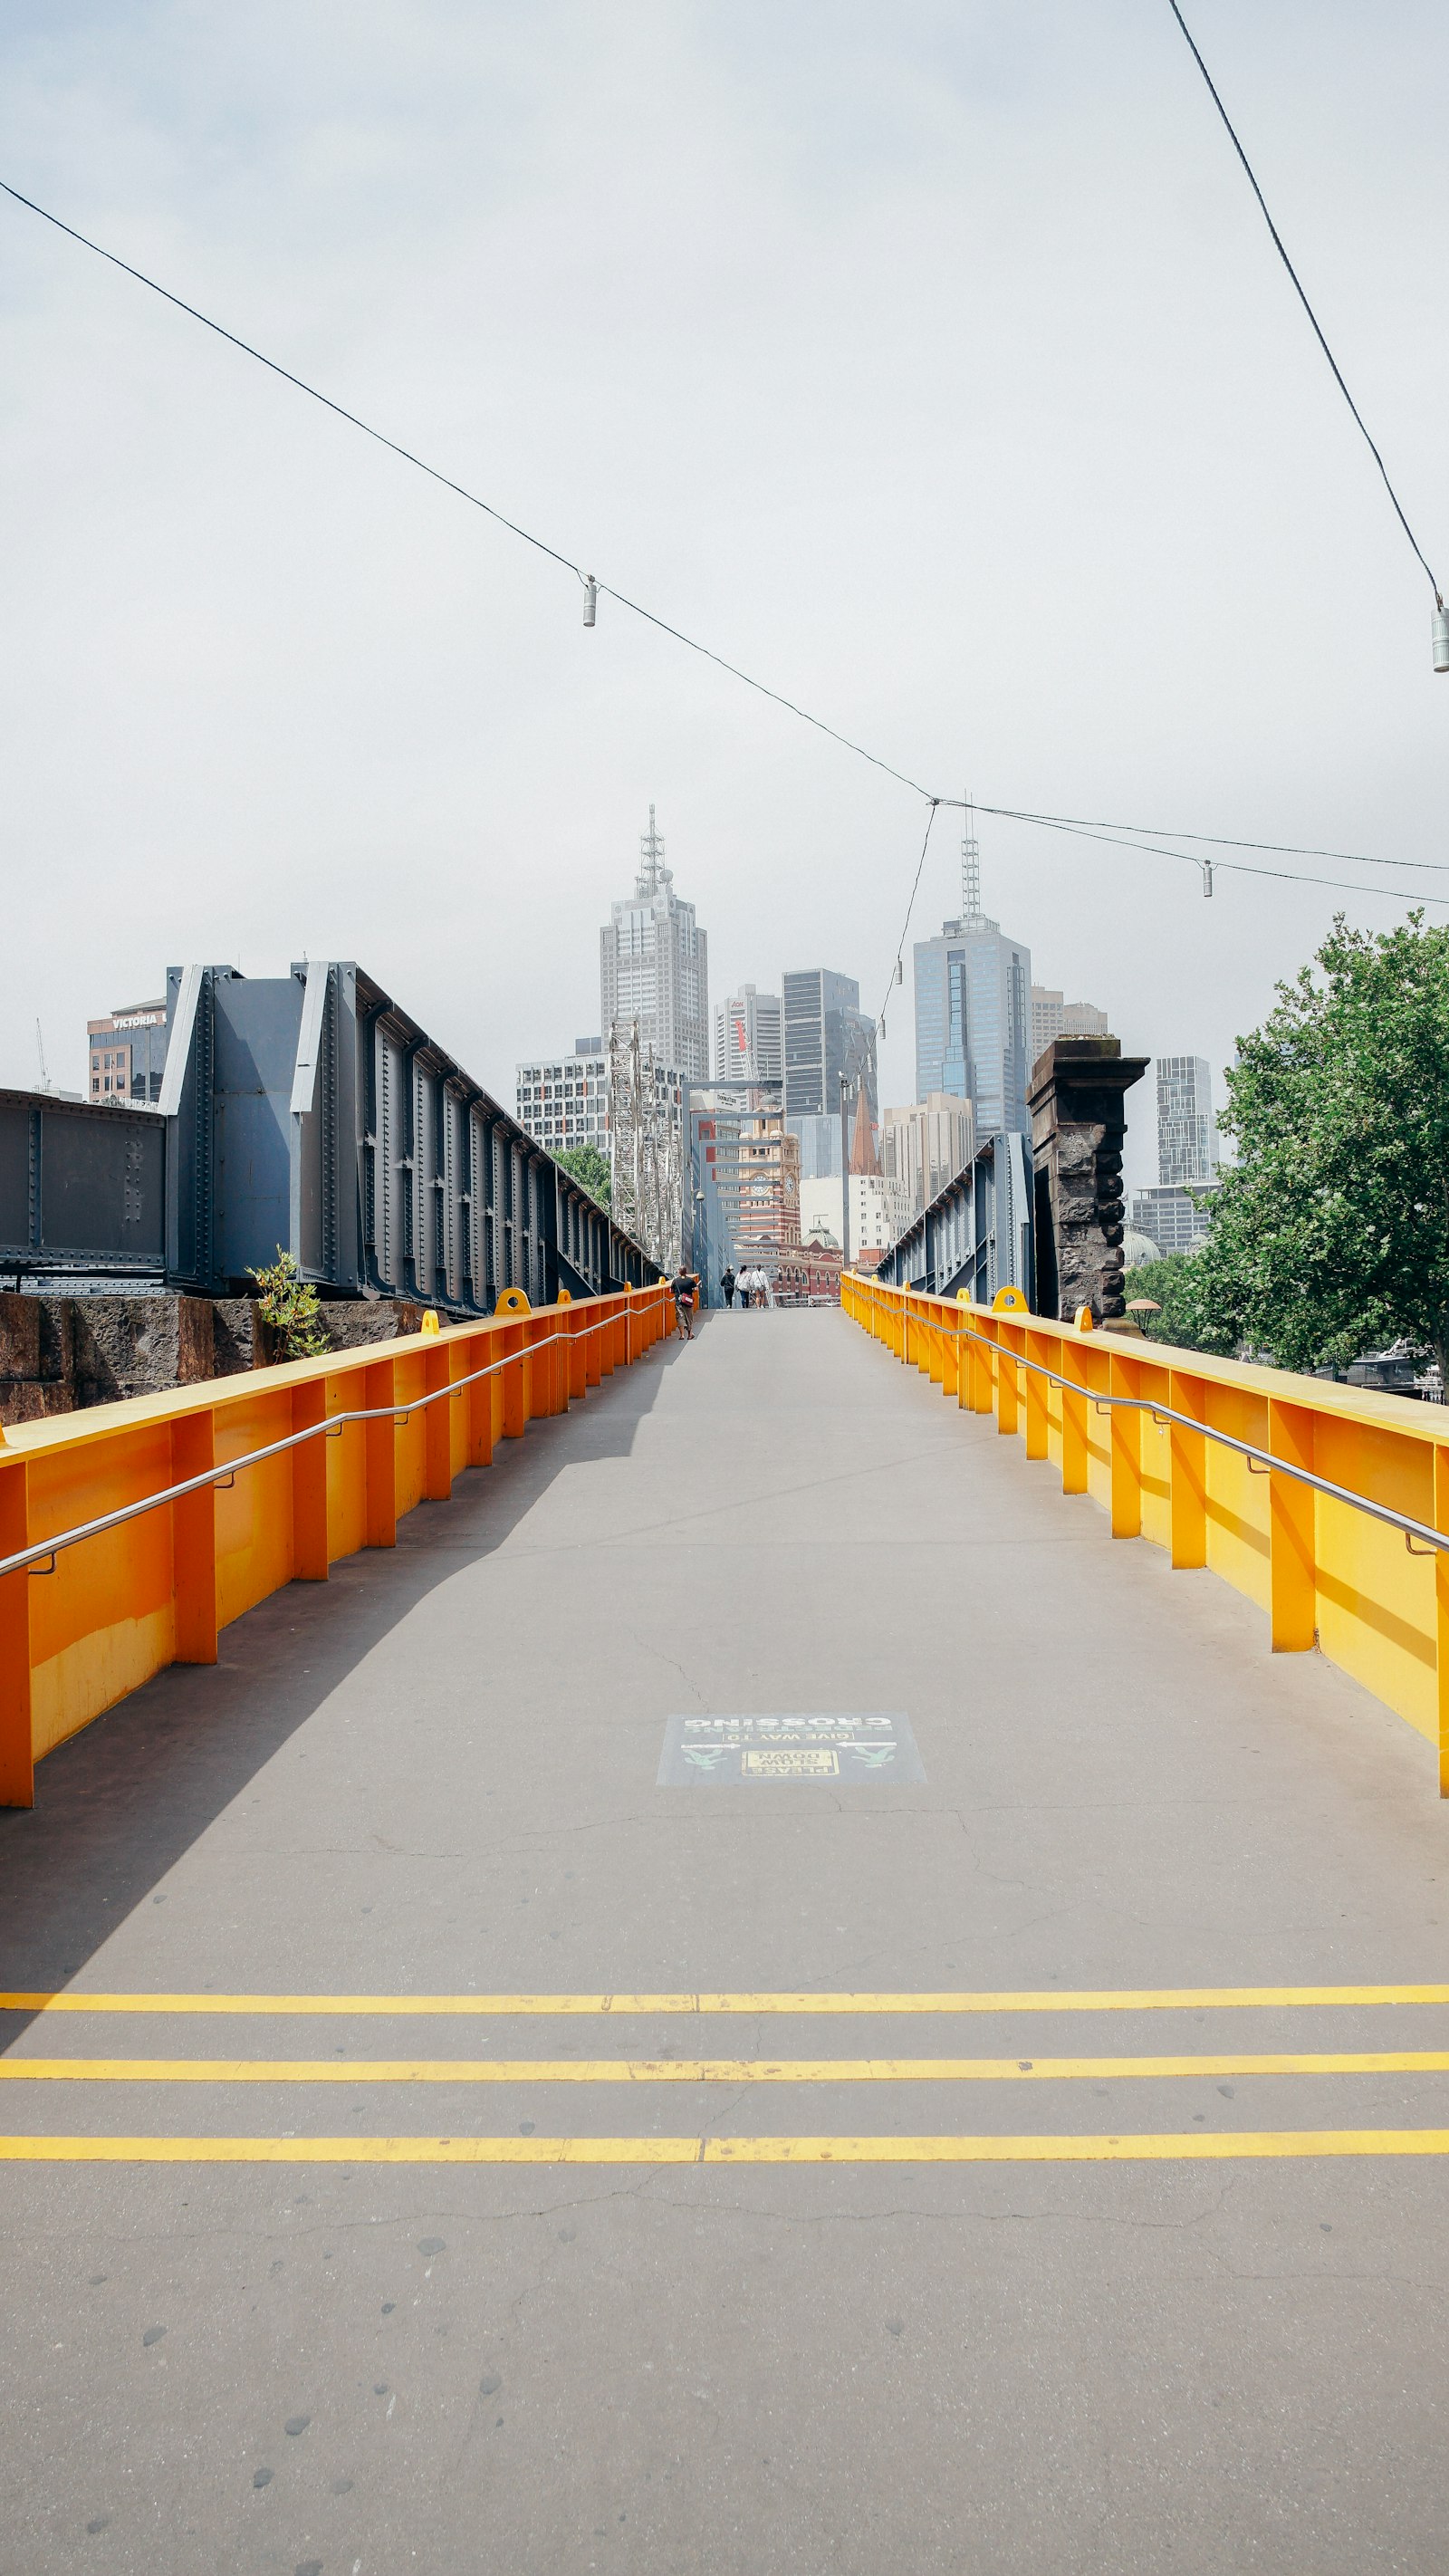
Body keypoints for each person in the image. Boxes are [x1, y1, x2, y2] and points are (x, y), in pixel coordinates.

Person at [669, 1264, 699, 1340]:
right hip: (688, 1302)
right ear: (686, 1272)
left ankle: (682, 1335)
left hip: (679, 1302)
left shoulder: (675, 1281)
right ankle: (689, 1335)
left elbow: (671, 1291)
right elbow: (696, 1289)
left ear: (679, 1272)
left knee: (680, 1317)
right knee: (689, 1318)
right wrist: (690, 1290)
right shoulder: (690, 1280)